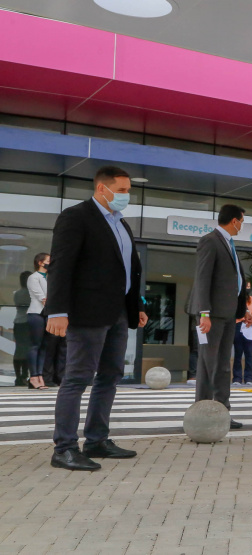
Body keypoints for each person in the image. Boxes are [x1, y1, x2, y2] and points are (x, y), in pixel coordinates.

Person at [46, 166, 148, 471]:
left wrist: (136, 307)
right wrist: (58, 311)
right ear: (102, 188)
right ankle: (64, 448)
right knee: (77, 378)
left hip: (118, 312)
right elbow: (61, 265)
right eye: (122, 190)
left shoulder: (121, 224)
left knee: (110, 376)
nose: (126, 196)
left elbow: (129, 271)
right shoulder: (76, 217)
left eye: (128, 191)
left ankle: (96, 441)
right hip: (86, 312)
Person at [190, 204, 247, 430]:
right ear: (234, 221)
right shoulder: (210, 241)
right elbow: (202, 278)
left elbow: (234, 281)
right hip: (211, 315)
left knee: (223, 366)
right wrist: (204, 312)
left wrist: (242, 310)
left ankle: (222, 413)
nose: (242, 226)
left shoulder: (229, 244)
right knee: (208, 364)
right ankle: (202, 413)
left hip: (228, 315)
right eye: (242, 221)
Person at [26, 253, 50, 390]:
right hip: (36, 313)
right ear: (40, 262)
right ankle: (33, 377)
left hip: (47, 314)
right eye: (48, 261)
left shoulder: (49, 278)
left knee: (44, 346)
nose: (50, 263)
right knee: (35, 345)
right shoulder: (34, 277)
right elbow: (43, 298)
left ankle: (40, 376)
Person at [232, 282, 252, 385]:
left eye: (249, 287)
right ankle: (237, 378)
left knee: (249, 353)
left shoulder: (251, 299)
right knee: (238, 353)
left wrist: (251, 320)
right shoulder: (237, 298)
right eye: (246, 286)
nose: (248, 288)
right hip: (238, 324)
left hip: (249, 326)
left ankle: (249, 378)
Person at [13, 271, 31, 386]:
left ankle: (18, 376)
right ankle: (24, 375)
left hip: (18, 322)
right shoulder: (30, 293)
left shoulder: (17, 293)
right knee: (27, 350)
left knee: (19, 349)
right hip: (27, 322)